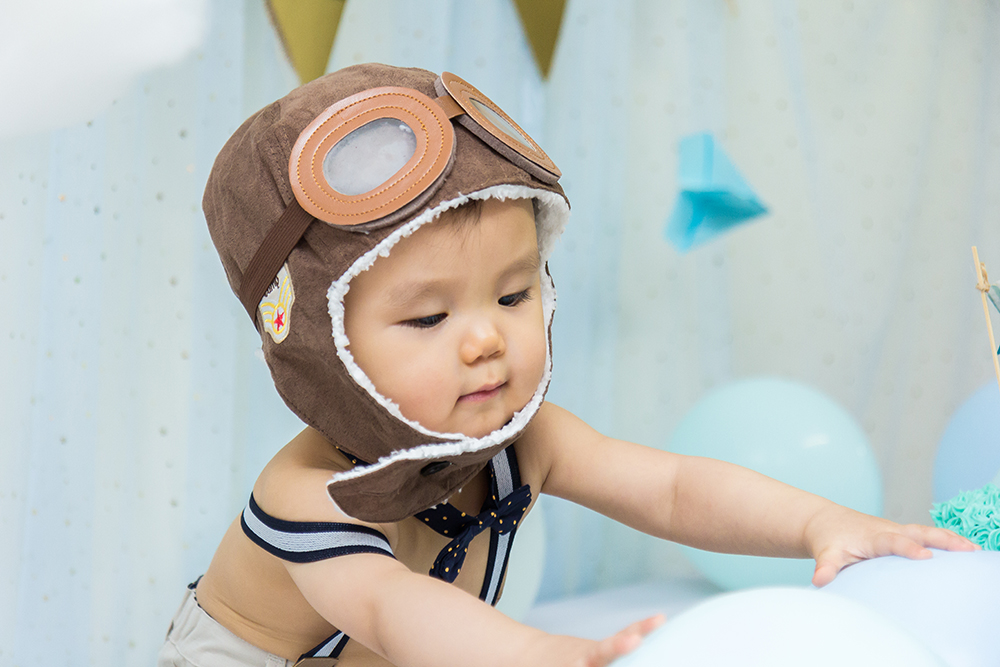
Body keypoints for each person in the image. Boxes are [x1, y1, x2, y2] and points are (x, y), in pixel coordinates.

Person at [158, 63, 977, 667]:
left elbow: (671, 487)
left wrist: (820, 524)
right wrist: (542, 651)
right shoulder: (309, 491)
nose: (485, 339)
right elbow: (390, 608)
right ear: (320, 345)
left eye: (513, 295)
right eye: (430, 317)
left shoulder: (524, 440)